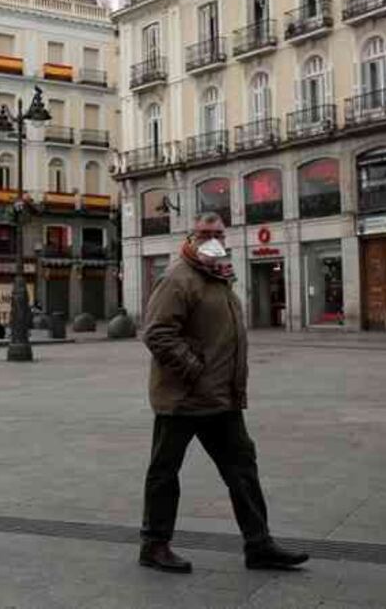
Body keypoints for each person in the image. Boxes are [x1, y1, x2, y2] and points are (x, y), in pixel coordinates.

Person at [138, 211, 308, 573]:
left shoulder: (218, 276)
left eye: (218, 233)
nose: (212, 238)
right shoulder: (177, 279)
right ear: (191, 236)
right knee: (165, 472)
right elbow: (156, 333)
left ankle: (259, 545)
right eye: (204, 232)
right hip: (182, 398)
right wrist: (194, 369)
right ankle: (154, 545)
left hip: (221, 398)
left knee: (242, 468)